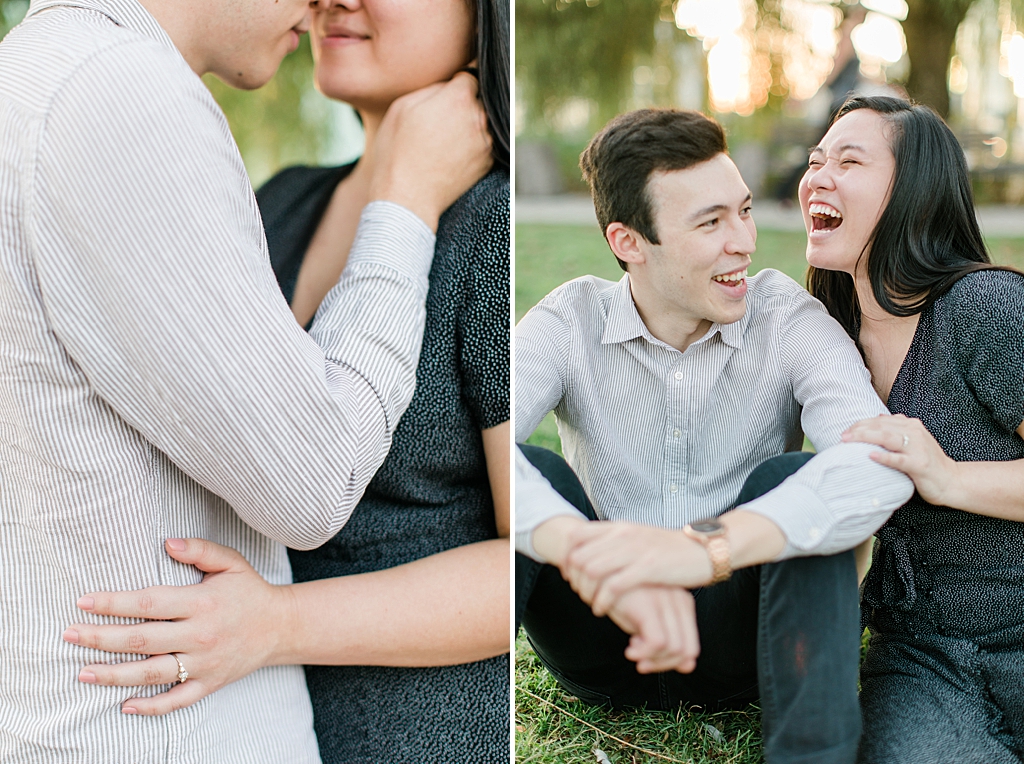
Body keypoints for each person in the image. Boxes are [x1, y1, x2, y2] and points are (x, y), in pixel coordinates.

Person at [0, 0, 491, 761]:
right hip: (174, 714)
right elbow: (308, 470)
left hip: (430, 732)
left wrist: (279, 621)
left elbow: (522, 559)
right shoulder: (277, 196)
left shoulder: (490, 224)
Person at [514, 107, 915, 764]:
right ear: (629, 242)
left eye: (744, 211)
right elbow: (484, 448)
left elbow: (875, 459)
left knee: (795, 483)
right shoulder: (569, 320)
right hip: (601, 635)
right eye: (710, 223)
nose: (744, 241)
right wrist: (596, 553)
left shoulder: (786, 317)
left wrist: (705, 552)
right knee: (525, 467)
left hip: (744, 642)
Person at [800, 95, 1024, 764]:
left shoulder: (984, 309)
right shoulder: (822, 339)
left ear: (914, 191)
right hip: (921, 661)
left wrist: (949, 477)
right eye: (815, 162)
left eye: (849, 160)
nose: (818, 177)